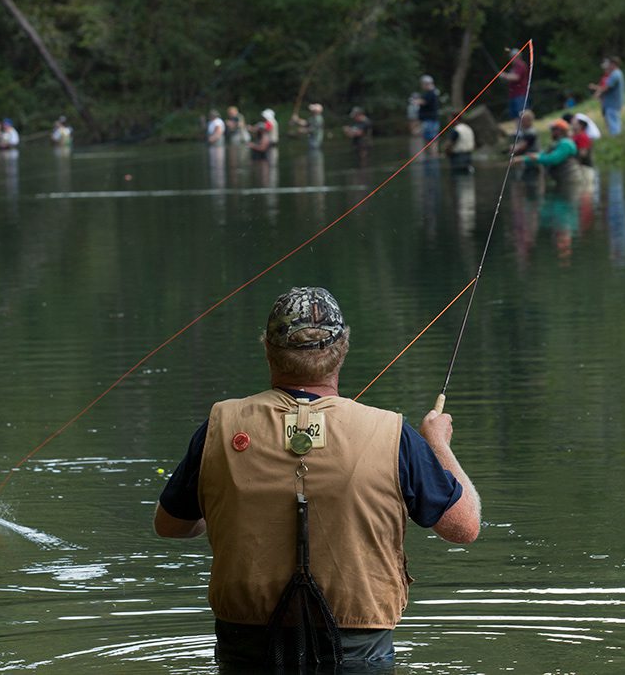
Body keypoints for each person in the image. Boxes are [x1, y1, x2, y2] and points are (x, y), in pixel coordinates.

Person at [153, 286, 481, 667]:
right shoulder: (394, 434)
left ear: (268, 349)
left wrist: (227, 502)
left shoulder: (220, 426)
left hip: (246, 651)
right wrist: (438, 443)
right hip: (358, 654)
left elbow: (170, 525)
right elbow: (465, 527)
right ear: (341, 351)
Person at [514, 119, 581, 190]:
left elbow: (553, 159)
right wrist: (522, 159)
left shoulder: (566, 143)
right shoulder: (558, 143)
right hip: (563, 180)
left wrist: (536, 158)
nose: (551, 132)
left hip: (571, 181)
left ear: (559, 130)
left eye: (553, 129)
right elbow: (543, 155)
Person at [590, 56, 624, 136]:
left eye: (610, 64)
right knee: (613, 119)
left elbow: (606, 88)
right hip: (612, 102)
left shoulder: (615, 75)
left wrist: (594, 87)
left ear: (613, 64)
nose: (608, 66)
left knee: (613, 121)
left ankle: (616, 136)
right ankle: (616, 135)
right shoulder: (617, 73)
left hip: (613, 102)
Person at [500, 47, 530, 119]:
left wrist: (504, 75)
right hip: (514, 94)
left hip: (520, 94)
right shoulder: (515, 66)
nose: (511, 58)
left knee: (522, 114)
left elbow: (516, 77)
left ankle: (525, 129)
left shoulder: (520, 65)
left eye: (512, 56)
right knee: (515, 115)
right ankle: (518, 130)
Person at [413, 74, 440, 144]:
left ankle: (433, 154)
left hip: (430, 120)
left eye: (423, 84)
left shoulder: (431, 93)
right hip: (428, 120)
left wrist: (416, 101)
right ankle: (431, 154)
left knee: (431, 140)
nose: (422, 86)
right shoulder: (430, 92)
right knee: (428, 139)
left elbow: (424, 102)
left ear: (426, 84)